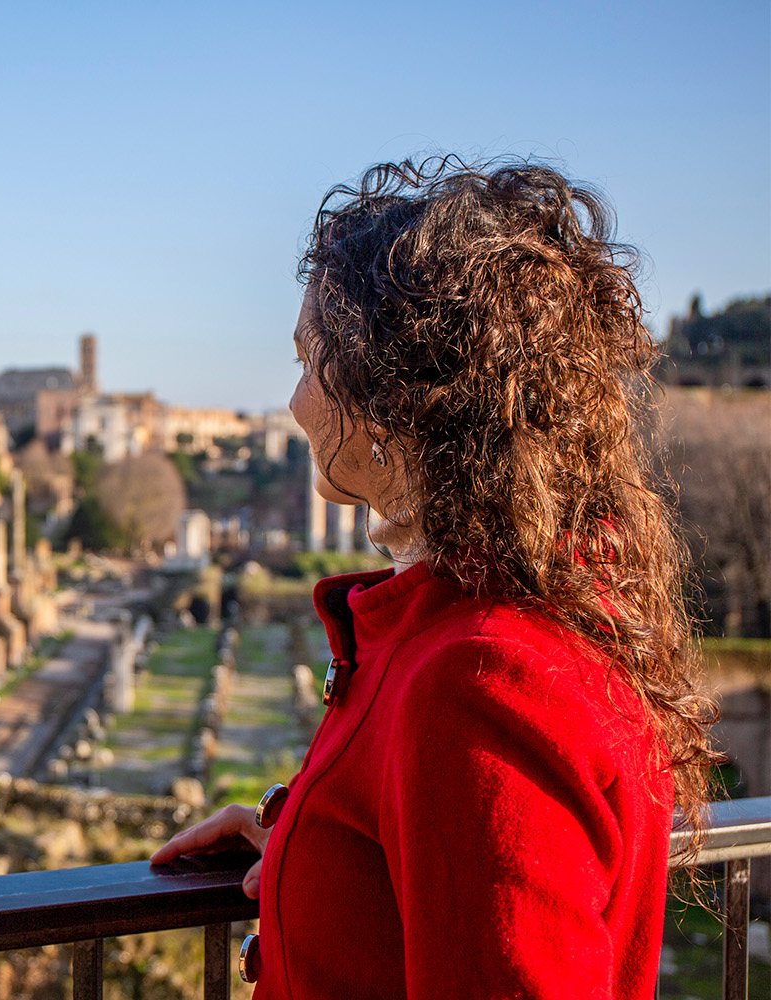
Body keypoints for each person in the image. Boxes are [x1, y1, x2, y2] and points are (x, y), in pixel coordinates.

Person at [151, 157, 719, 998]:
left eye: (310, 360)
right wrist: (314, 842)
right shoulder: (533, 618)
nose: (298, 400)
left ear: (395, 398)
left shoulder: (483, 682)